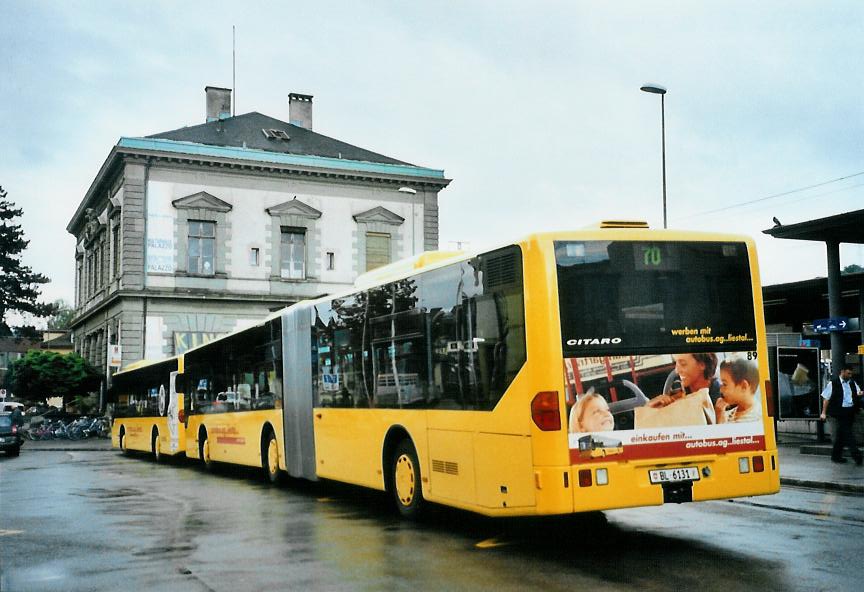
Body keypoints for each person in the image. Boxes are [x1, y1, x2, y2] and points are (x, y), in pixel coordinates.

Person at [647, 353, 720, 423]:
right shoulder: (677, 391)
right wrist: (651, 408)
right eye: (676, 363)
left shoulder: (722, 396)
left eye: (683, 364)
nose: (677, 370)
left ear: (702, 364)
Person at [819, 365, 862, 465]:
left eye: (851, 374)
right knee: (848, 433)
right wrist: (823, 413)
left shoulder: (852, 383)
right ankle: (856, 455)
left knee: (841, 435)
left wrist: (859, 394)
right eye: (848, 373)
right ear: (842, 372)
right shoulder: (833, 383)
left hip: (850, 411)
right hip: (839, 412)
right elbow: (826, 398)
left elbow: (858, 392)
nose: (850, 376)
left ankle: (836, 456)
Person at [716, 358, 761, 423]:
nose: (720, 390)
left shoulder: (760, 418)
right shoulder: (727, 415)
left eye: (724, 384)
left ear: (743, 386)